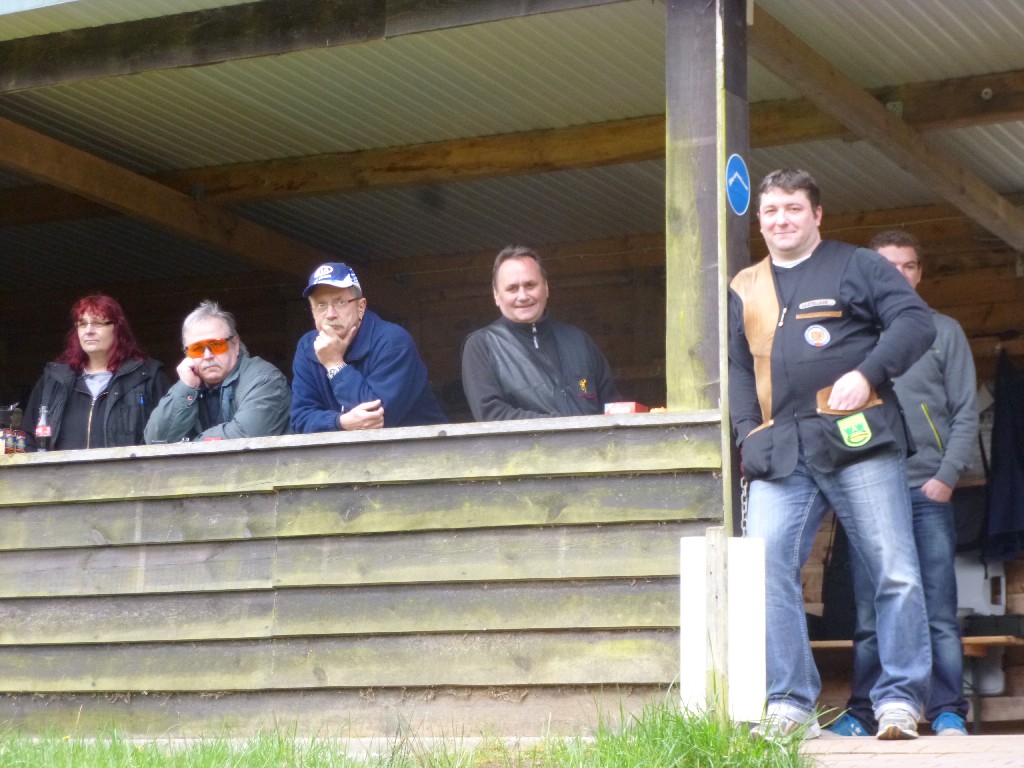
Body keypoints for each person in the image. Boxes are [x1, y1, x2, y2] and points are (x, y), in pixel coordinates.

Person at [727, 169, 936, 740]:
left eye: (793, 208)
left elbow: (915, 322)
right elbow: (738, 366)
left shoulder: (856, 265)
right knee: (767, 570)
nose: (781, 220)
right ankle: (790, 703)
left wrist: (867, 373)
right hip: (780, 451)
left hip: (858, 441)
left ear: (817, 214)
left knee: (894, 569)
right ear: (759, 220)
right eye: (771, 211)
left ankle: (899, 702)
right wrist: (747, 432)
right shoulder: (745, 285)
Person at [831, 230, 978, 738]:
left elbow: (966, 413)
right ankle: (864, 711)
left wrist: (946, 477)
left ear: (920, 273)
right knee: (870, 608)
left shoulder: (944, 331)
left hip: (926, 491)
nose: (898, 274)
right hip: (868, 491)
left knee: (937, 608)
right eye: (886, 266)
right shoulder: (850, 334)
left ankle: (947, 710)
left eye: (908, 266)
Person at [461, 245, 620, 420]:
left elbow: (612, 407)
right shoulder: (482, 346)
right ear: (497, 296)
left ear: (546, 288)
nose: (523, 296)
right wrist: (560, 426)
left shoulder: (578, 341)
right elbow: (492, 414)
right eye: (512, 288)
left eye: (530, 285)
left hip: (594, 440)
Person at [291, 262, 446, 432]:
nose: (330, 314)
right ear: (313, 311)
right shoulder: (307, 346)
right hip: (347, 449)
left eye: (340, 302)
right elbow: (300, 419)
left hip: (419, 445)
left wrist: (334, 364)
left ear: (361, 307)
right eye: (321, 305)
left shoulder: (393, 341)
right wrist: (339, 422)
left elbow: (375, 418)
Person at [23, 294, 168, 451]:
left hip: (127, 468)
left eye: (98, 323)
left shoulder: (147, 376)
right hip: (63, 468)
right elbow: (28, 438)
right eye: (82, 324)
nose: (88, 331)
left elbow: (167, 433)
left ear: (118, 329)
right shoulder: (54, 380)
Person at [144, 300, 290, 443]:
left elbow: (245, 435)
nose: (207, 356)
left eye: (216, 345)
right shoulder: (189, 384)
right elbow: (155, 439)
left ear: (235, 344)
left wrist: (188, 445)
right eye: (197, 349)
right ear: (187, 354)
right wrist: (186, 388)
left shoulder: (264, 379)